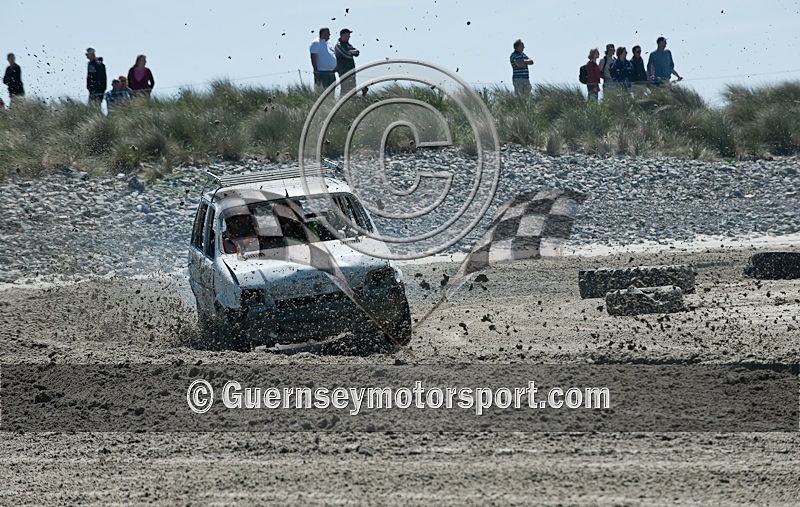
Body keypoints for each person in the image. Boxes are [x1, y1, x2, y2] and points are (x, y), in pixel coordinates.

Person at [335, 28, 360, 96]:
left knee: (352, 90)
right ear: (342, 35)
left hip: (351, 71)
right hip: (343, 71)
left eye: (349, 35)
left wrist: (350, 52)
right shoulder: (338, 45)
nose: (349, 37)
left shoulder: (349, 45)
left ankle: (352, 102)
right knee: (344, 90)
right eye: (347, 35)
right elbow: (346, 55)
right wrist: (351, 53)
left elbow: (357, 52)